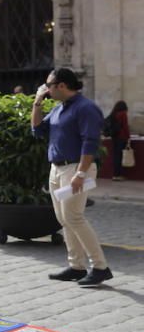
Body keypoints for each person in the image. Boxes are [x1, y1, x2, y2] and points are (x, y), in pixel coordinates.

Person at [33, 68, 113, 287]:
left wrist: (80, 173)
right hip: (57, 168)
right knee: (64, 219)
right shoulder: (60, 109)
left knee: (74, 217)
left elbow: (90, 142)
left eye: (48, 85)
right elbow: (38, 130)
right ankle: (76, 266)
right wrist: (37, 102)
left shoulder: (86, 108)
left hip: (76, 168)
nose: (46, 89)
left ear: (61, 86)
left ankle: (100, 267)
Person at [105, 100, 131, 181]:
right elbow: (125, 126)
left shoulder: (113, 114)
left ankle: (115, 175)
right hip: (122, 138)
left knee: (116, 156)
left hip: (114, 137)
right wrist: (128, 136)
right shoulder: (123, 114)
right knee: (120, 157)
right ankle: (118, 175)